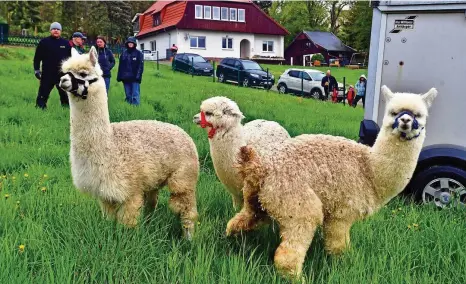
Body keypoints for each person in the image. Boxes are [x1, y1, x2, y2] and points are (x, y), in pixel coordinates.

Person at [33, 22, 71, 109]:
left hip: (62, 74)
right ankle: (40, 108)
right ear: (50, 30)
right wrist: (37, 70)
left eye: (58, 29)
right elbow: (37, 58)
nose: (56, 31)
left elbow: (70, 59)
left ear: (60, 31)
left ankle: (65, 109)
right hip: (47, 74)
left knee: (65, 95)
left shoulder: (66, 44)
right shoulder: (44, 42)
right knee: (43, 93)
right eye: (54, 29)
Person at [117, 37, 144, 105]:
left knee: (135, 95)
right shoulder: (123, 54)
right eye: (129, 43)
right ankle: (129, 107)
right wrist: (119, 76)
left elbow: (140, 66)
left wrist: (138, 77)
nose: (130, 44)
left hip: (135, 78)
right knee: (128, 95)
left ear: (134, 44)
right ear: (127, 44)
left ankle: (136, 109)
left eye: (132, 43)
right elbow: (120, 66)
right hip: (125, 78)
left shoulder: (139, 53)